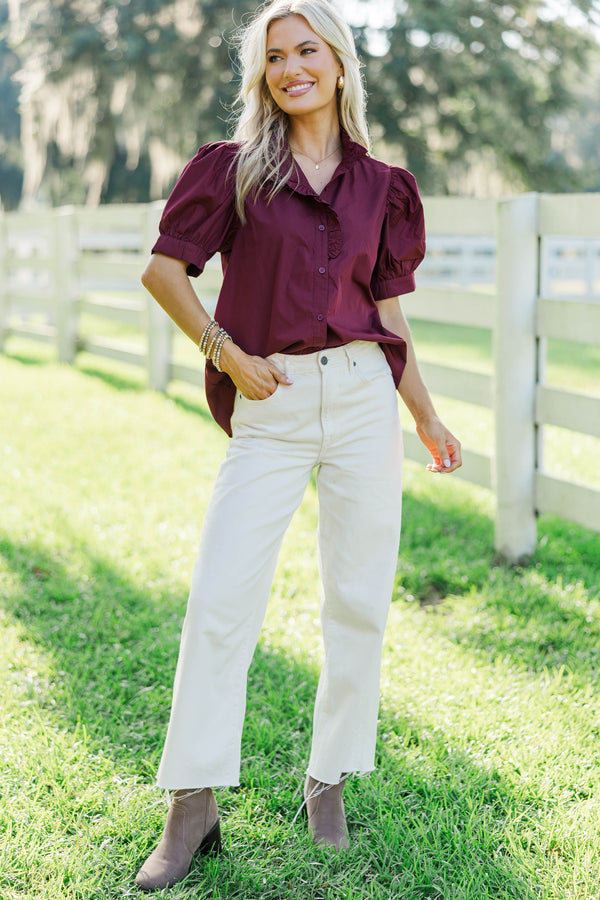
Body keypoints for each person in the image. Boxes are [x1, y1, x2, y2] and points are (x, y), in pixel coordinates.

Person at [134, 0, 461, 891]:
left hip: (362, 398)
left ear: (340, 63)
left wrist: (425, 414)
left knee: (358, 598)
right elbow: (164, 271)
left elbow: (386, 315)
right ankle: (192, 802)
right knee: (220, 598)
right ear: (262, 74)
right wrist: (224, 351)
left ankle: (330, 778)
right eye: (275, 57)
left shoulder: (385, 187)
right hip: (270, 402)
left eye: (306, 50)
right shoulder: (232, 169)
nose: (290, 69)